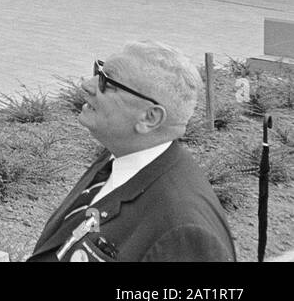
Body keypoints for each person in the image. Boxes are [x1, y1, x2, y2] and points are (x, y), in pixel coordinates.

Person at [29, 41, 236, 262]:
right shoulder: (119, 155)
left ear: (149, 118)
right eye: (98, 71)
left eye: (107, 82)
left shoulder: (184, 233)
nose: (87, 85)